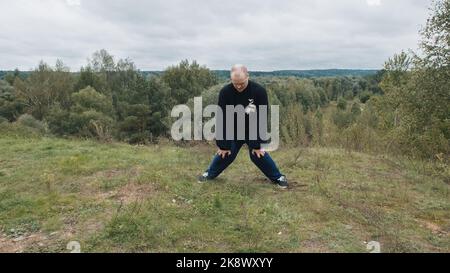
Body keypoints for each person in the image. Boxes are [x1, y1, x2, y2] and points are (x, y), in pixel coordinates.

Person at [198, 64, 288, 189]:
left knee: (258, 154)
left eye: (241, 83)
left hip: (253, 128)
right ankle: (209, 174)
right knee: (226, 152)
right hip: (233, 129)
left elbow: (262, 118)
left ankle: (278, 177)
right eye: (235, 83)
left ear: (247, 76)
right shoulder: (225, 92)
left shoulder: (259, 91)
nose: (239, 86)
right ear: (231, 79)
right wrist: (223, 144)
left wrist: (257, 144)